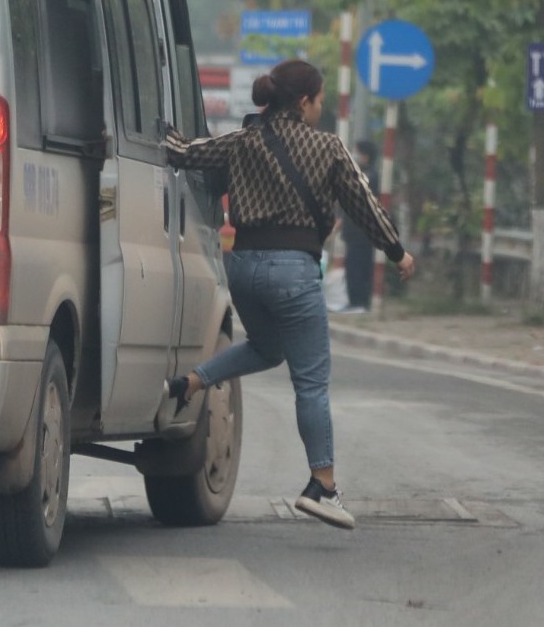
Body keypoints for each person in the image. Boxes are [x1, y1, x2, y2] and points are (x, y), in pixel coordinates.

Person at [161, 59, 415, 530]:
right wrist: (397, 252)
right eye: (319, 101)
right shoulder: (328, 148)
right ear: (304, 103)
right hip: (293, 272)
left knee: (266, 348)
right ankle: (323, 485)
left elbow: (184, 152)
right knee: (312, 384)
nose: (321, 109)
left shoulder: (241, 140)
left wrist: (163, 128)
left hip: (243, 270)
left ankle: (189, 383)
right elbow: (365, 204)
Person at [339, 140, 381, 313]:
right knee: (352, 267)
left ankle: (360, 302)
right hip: (353, 231)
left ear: (365, 155)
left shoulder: (370, 175)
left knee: (359, 267)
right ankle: (354, 301)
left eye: (356, 152)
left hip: (362, 231)